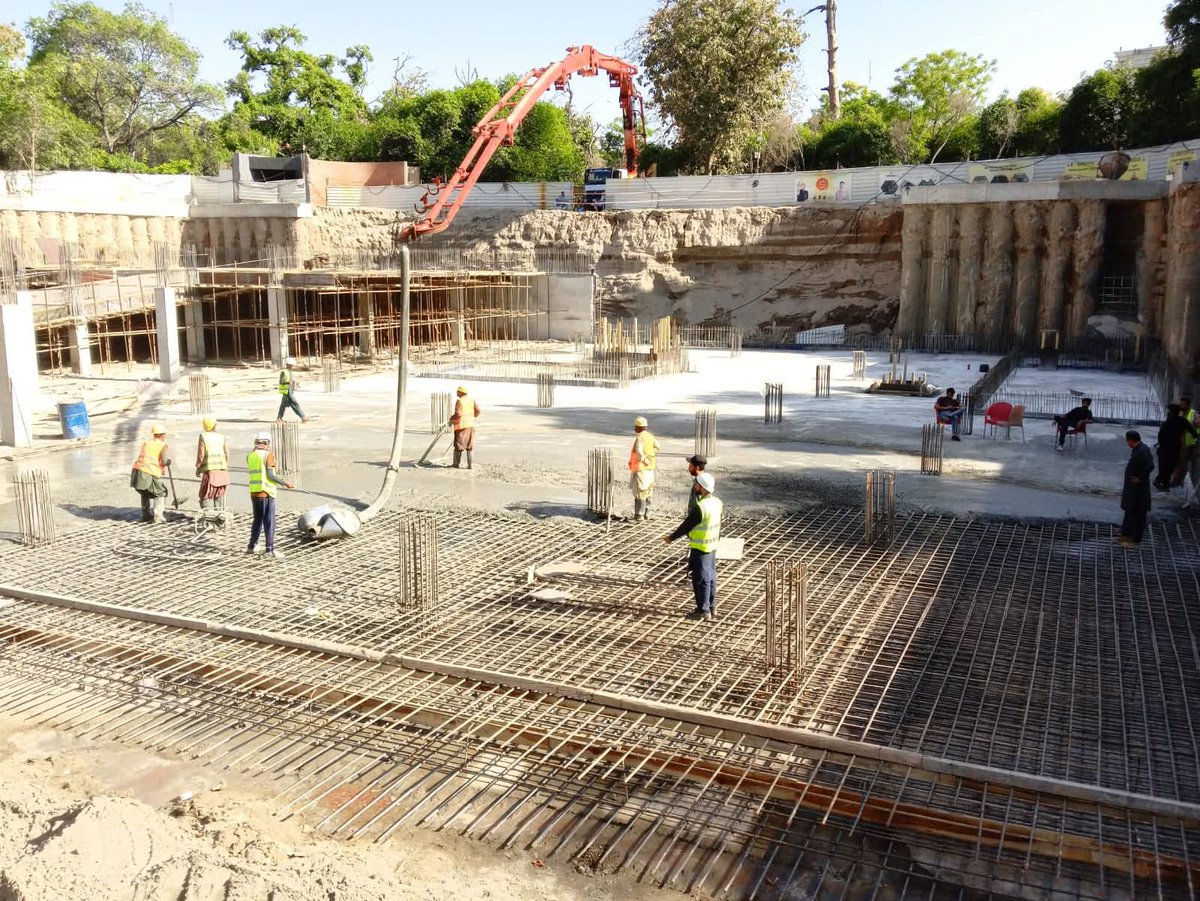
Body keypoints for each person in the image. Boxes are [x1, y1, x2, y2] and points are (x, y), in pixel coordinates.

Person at [663, 472, 723, 621]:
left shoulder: (701, 507)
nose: (695, 487)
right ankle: (711, 606)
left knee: (701, 579)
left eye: (697, 485)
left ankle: (703, 610)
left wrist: (671, 538)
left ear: (702, 488)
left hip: (700, 547)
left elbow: (686, 526)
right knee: (710, 577)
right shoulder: (717, 502)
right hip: (712, 545)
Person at [246, 431, 294, 558]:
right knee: (269, 521)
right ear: (266, 442)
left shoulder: (250, 455)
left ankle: (252, 546)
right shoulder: (268, 455)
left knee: (257, 520)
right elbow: (270, 475)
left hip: (254, 492)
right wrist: (285, 483)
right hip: (266, 493)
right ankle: (270, 550)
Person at [1117, 430, 1154, 548]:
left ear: (1131, 440)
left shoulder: (1143, 451)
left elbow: (1150, 466)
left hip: (1139, 489)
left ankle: (1136, 539)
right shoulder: (1138, 449)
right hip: (1132, 488)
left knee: (1138, 513)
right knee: (1130, 511)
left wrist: (1140, 478)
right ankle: (1126, 533)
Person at [130, 422, 171, 523]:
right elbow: (164, 461)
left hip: (137, 470)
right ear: (163, 435)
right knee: (160, 492)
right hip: (148, 472)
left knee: (144, 492)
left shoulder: (147, 443)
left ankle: (145, 515)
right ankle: (158, 516)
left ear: (154, 434)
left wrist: (162, 469)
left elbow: (149, 458)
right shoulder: (162, 445)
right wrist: (168, 462)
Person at [1154, 404, 1197, 491]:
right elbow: (1191, 430)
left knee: (1167, 465)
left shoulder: (1172, 421)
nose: (1168, 413)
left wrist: (1160, 444)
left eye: (1169, 411)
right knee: (1167, 465)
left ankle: (1161, 481)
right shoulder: (1178, 421)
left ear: (1173, 412)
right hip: (1170, 447)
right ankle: (1162, 482)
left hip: (1170, 447)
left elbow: (1161, 434)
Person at [195, 417, 230, 511]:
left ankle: (209, 516)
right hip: (222, 470)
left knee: (204, 495)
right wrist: (223, 463)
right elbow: (227, 453)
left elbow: (201, 455)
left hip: (210, 471)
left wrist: (198, 468)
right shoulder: (221, 436)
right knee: (219, 494)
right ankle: (219, 516)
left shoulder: (203, 436)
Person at [628, 415, 658, 521]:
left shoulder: (640, 438)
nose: (634, 428)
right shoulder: (650, 436)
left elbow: (640, 453)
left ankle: (639, 515)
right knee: (648, 490)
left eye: (636, 427)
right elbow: (658, 446)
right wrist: (651, 455)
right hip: (650, 469)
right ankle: (647, 514)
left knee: (640, 492)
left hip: (641, 469)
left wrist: (645, 459)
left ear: (640, 427)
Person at [450, 385, 481, 469]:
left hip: (461, 426)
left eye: (458, 391)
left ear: (461, 392)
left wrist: (452, 419)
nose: (457, 392)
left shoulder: (459, 401)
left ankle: (455, 464)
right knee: (469, 446)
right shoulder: (471, 400)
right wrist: (473, 416)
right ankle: (470, 465)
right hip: (470, 425)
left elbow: (458, 414)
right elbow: (478, 410)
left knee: (458, 446)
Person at [1170, 396, 1197, 487]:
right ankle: (1177, 480)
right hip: (1180, 441)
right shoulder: (1180, 413)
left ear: (1188, 405)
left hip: (1188, 443)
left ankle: (1175, 480)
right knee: (1179, 461)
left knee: (1181, 462)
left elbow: (1196, 427)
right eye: (1180, 404)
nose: (1181, 406)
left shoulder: (1193, 414)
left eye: (1183, 404)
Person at [276, 356, 308, 423]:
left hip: (289, 390)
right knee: (294, 403)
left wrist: (295, 382)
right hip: (287, 391)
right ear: (288, 365)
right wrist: (288, 382)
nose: (293, 366)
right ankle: (303, 416)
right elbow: (281, 381)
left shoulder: (289, 372)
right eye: (291, 365)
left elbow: (290, 380)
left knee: (283, 405)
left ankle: (279, 418)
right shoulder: (284, 372)